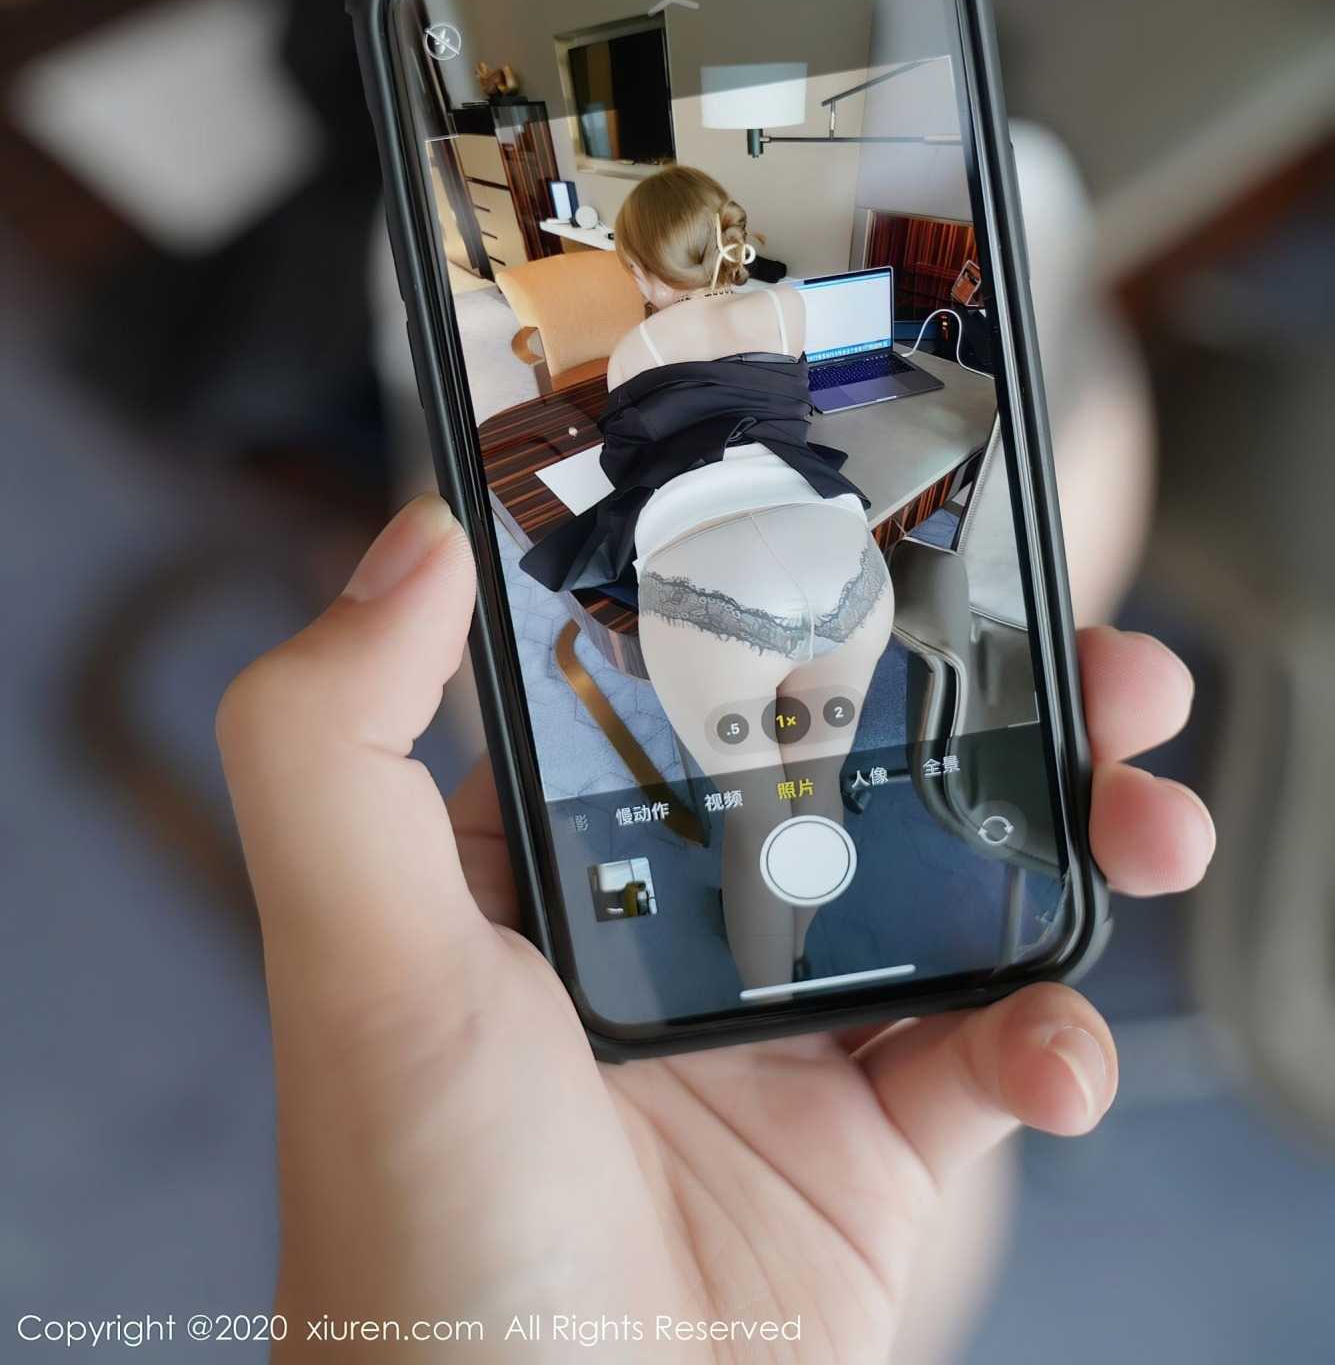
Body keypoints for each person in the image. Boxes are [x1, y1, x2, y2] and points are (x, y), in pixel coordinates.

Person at [218, 492, 1214, 1361]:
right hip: (812, 578)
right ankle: (781, 918)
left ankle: (770, 926)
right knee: (815, 778)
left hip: (724, 595)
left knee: (769, 800)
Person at [523, 165, 893, 988]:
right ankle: (797, 940)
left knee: (757, 815)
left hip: (715, 596)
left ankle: (771, 983)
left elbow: (631, 468)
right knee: (815, 782)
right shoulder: (790, 305)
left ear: (636, 268)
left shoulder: (637, 350)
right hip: (840, 562)